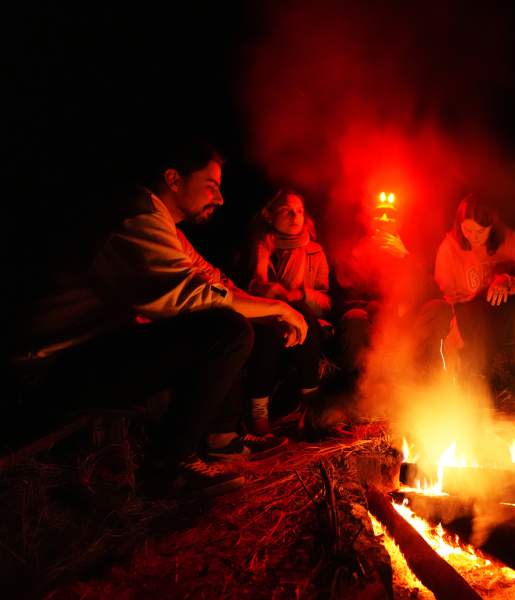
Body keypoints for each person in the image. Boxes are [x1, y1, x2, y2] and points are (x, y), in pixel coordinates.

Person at [14, 141, 308, 495]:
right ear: (173, 179)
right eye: (212, 186)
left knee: (232, 320)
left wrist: (265, 311)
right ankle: (167, 468)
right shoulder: (132, 214)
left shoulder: (164, 226)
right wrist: (277, 307)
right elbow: (187, 296)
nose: (221, 199)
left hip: (88, 351)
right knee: (225, 329)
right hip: (47, 369)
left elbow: (214, 281)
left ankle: (222, 440)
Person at [334, 191, 451, 379]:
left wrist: (405, 256)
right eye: (379, 214)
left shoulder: (411, 248)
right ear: (369, 221)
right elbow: (348, 296)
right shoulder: (357, 252)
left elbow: (432, 292)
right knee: (354, 319)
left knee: (440, 308)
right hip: (374, 322)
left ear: (399, 222)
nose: (385, 218)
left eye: (391, 215)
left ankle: (430, 375)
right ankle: (359, 383)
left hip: (410, 321)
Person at [435, 193, 515, 381]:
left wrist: (505, 280)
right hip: (469, 318)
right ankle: (475, 375)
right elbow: (447, 295)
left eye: (480, 231)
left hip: (504, 312)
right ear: (460, 226)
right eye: (467, 230)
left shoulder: (511, 239)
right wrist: (454, 321)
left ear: (493, 225)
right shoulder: (449, 248)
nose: (473, 237)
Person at [246, 189, 329, 434]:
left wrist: (301, 295)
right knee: (268, 330)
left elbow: (326, 301)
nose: (295, 216)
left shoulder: (314, 252)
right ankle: (259, 412)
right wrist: (274, 296)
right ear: (268, 215)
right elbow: (250, 289)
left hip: (306, 319)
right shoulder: (258, 248)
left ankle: (310, 404)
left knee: (302, 313)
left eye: (300, 211)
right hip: (265, 318)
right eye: (287, 211)